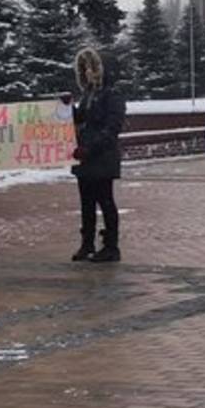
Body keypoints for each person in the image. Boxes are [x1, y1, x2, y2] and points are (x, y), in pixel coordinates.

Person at [68, 48, 126, 264]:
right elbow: (82, 119)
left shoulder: (112, 94)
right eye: (85, 69)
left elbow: (112, 128)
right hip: (84, 157)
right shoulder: (88, 94)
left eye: (92, 68)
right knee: (86, 202)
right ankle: (87, 243)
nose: (89, 73)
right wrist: (68, 109)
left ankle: (111, 246)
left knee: (105, 200)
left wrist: (90, 148)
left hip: (102, 157)